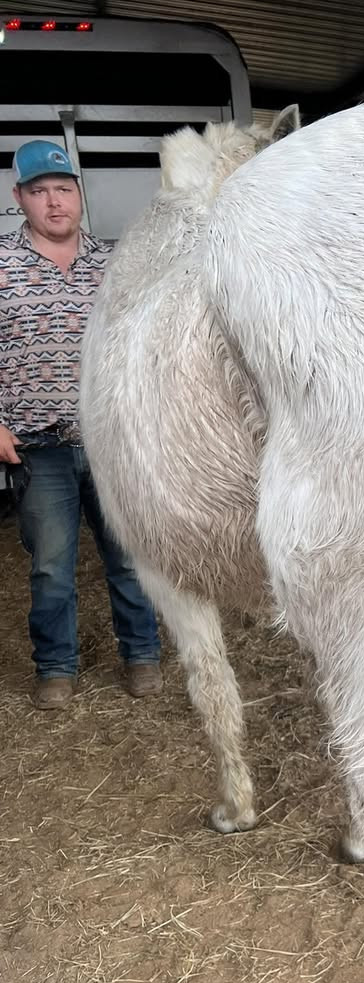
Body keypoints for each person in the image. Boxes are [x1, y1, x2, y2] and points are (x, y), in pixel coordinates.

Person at [0, 140, 162, 709]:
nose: (54, 201)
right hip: (37, 444)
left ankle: (142, 654)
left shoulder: (116, 262)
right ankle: (56, 667)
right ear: (19, 197)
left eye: (63, 189)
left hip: (112, 441)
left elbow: (145, 342)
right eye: (40, 191)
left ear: (79, 194)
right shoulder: (1, 263)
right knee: (51, 567)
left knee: (129, 556)